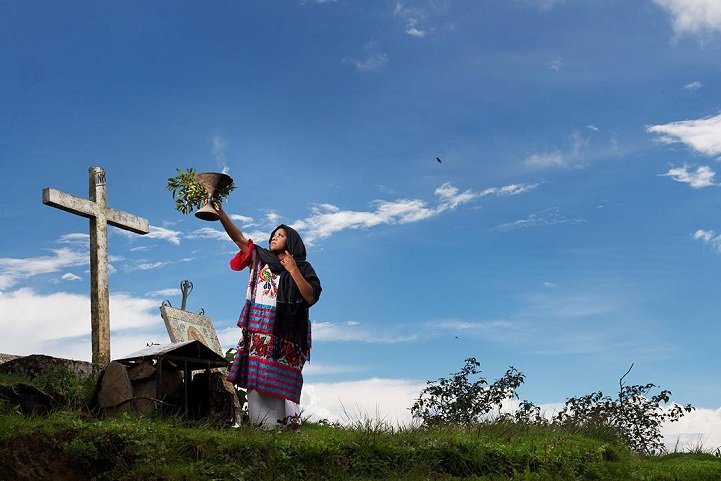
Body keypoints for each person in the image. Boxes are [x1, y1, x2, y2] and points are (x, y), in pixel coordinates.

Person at [215, 202, 321, 429]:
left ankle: (286, 426)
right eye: (273, 234)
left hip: (287, 335)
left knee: (281, 377)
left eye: (280, 235)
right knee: (258, 376)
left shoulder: (302, 267)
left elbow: (310, 297)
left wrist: (292, 269)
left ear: (291, 242)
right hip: (260, 329)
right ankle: (260, 427)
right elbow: (239, 239)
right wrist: (220, 213)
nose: (274, 237)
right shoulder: (260, 258)